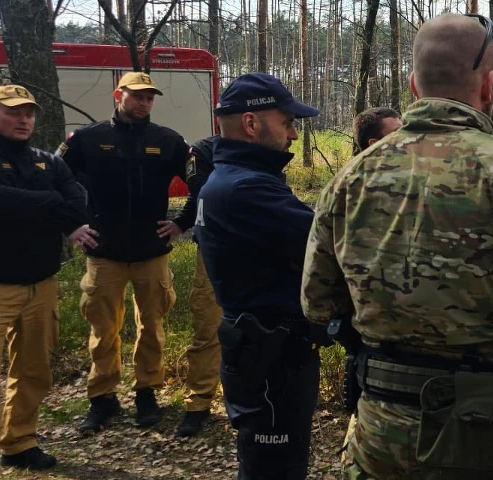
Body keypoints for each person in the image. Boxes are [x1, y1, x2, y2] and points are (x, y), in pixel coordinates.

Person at [301, 12, 493, 480]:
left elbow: (318, 302)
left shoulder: (354, 175)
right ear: (488, 86)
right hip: (483, 436)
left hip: (379, 432)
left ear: (414, 87)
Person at [194, 72, 327, 479]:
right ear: (251, 124)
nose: (291, 134)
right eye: (286, 122)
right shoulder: (246, 189)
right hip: (269, 354)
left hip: (267, 348)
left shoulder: (240, 180)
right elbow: (331, 241)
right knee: (273, 469)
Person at [0, 84, 94, 478]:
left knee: (34, 372)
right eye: (13, 112)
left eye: (29, 113)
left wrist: (42, 206)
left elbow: (76, 202)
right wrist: (49, 204)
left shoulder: (47, 162)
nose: (24, 120)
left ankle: (19, 443)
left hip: (41, 284)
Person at [56, 72, 191, 433]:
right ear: (119, 94)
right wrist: (73, 225)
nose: (144, 103)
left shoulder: (168, 141)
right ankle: (102, 397)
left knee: (152, 326)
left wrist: (183, 221)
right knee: (103, 329)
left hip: (152, 251)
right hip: (105, 252)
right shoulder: (87, 139)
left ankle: (147, 391)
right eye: (137, 96)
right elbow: (56, 180)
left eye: (149, 98)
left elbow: (201, 180)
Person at [170, 135, 221, 437]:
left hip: (257, 249)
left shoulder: (270, 145)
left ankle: (255, 399)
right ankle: (198, 403)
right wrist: (181, 222)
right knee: (207, 328)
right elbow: (201, 192)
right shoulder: (204, 150)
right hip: (214, 250)